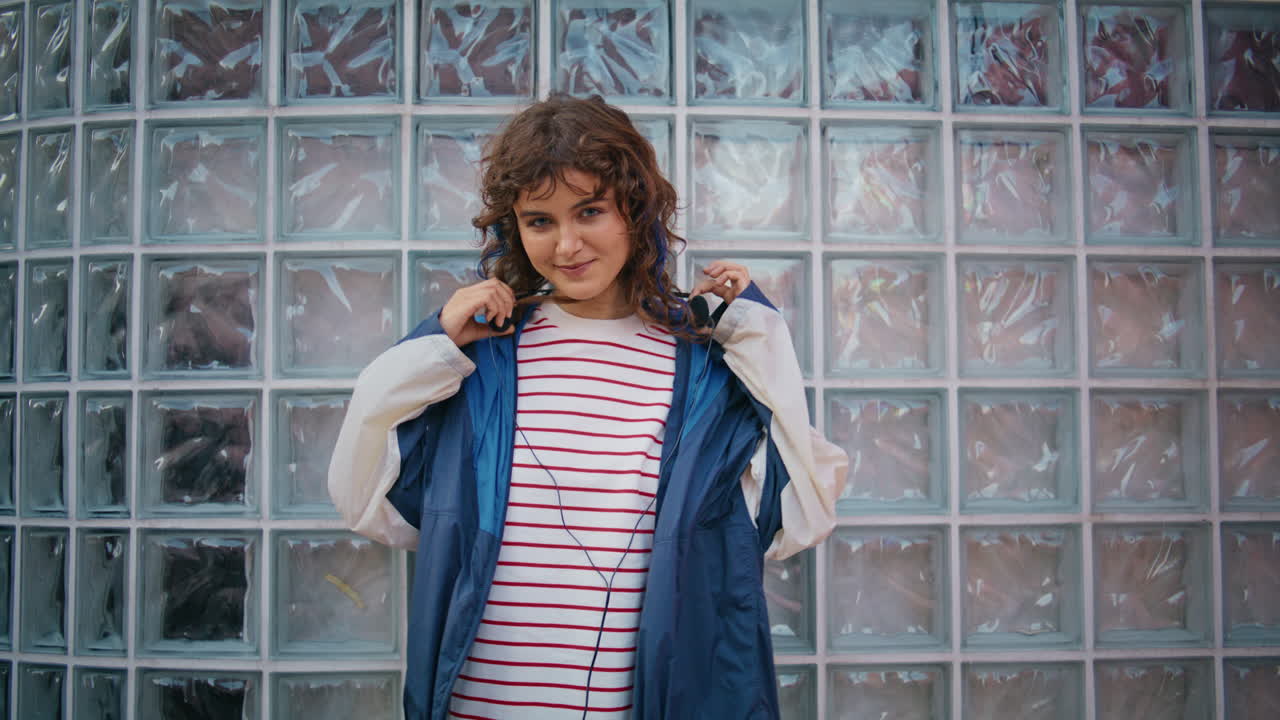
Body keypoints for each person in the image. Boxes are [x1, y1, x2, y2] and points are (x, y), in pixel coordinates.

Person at [328, 94, 848, 720]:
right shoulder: (483, 356)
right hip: (481, 704)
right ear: (514, 228)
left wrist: (758, 336)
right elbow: (363, 496)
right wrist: (433, 343)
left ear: (636, 208)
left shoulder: (700, 362)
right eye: (539, 220)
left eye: (590, 211)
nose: (567, 244)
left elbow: (802, 512)